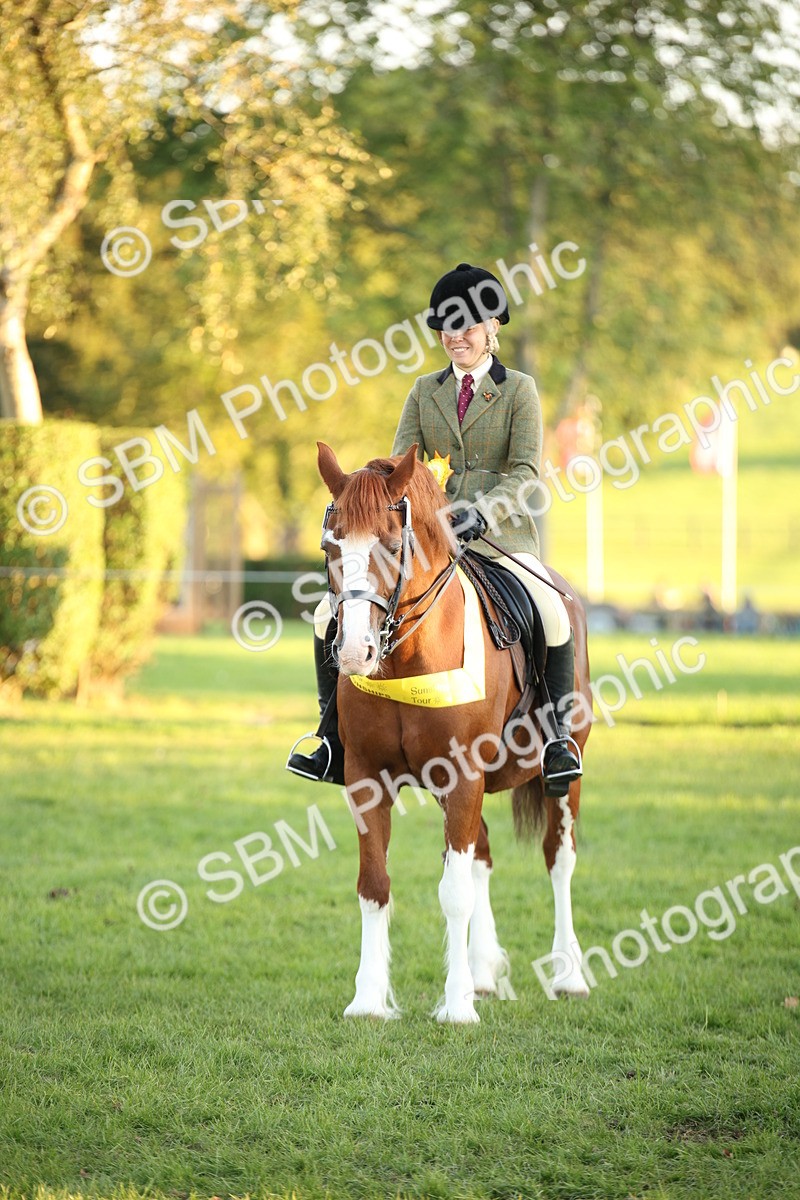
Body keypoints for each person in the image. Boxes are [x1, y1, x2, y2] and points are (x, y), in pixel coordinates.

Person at [287, 262, 581, 795]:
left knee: (553, 611)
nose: (455, 336)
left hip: (499, 540)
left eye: (466, 326)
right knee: (329, 613)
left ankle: (558, 739)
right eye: (446, 326)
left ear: (492, 327)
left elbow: (525, 473)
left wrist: (482, 513)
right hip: (427, 545)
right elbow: (394, 470)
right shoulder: (425, 390)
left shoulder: (520, 390)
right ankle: (332, 739)